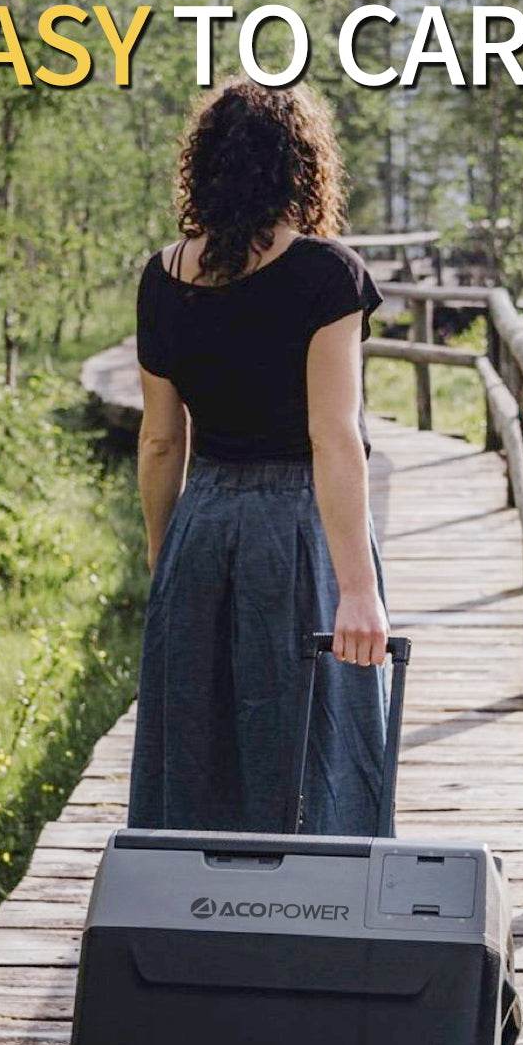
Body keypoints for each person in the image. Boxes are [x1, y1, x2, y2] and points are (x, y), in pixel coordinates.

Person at [128, 78, 391, 836]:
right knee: (313, 735)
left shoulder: (162, 277)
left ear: (203, 167)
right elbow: (334, 436)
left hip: (203, 526)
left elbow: (160, 439)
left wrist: (163, 560)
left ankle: (198, 914)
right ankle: (315, 911)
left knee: (200, 738)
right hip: (298, 529)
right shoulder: (324, 275)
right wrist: (359, 590)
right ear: (300, 166)